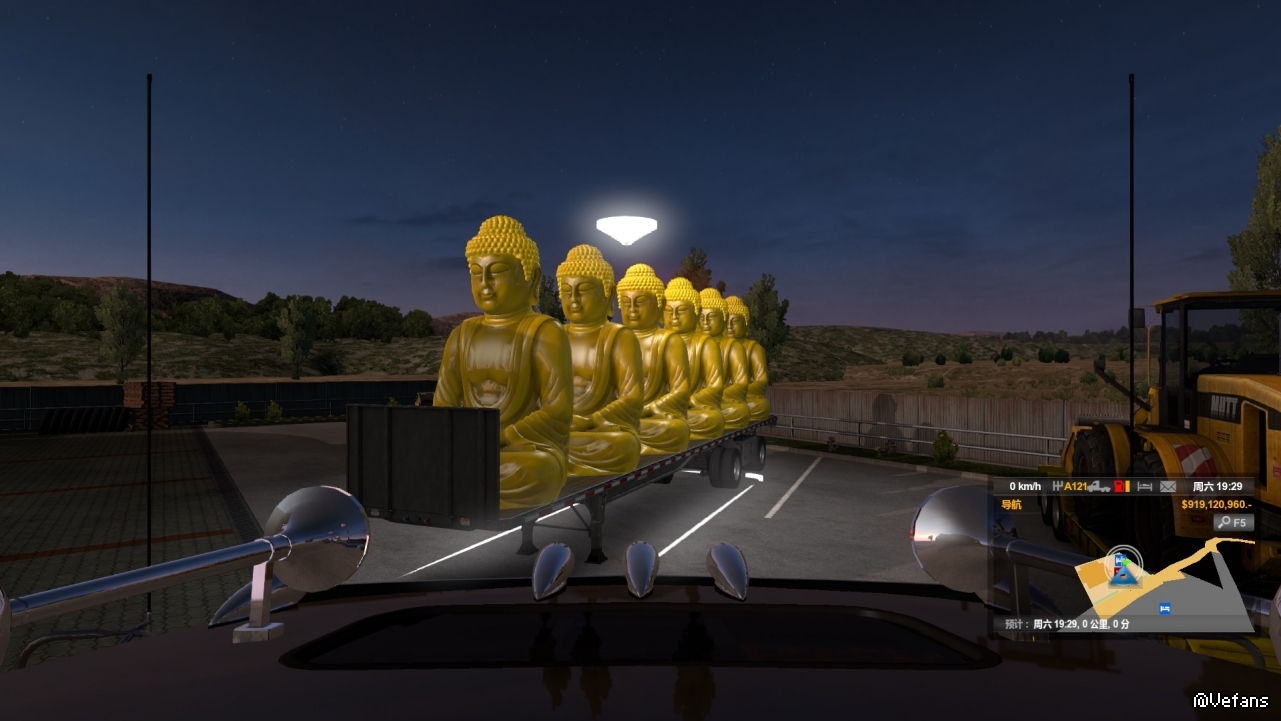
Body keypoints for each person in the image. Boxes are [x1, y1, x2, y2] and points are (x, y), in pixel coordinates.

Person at [433, 216, 574, 508]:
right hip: (472, 447)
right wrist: (461, 441)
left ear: (531, 278)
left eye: (496, 271)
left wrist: (501, 438)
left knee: (538, 470)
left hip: (520, 449)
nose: (484, 284)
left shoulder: (545, 331)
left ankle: (459, 483)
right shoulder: (462, 334)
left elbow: (558, 408)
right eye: (476, 273)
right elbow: (444, 404)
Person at [556, 245, 644, 476]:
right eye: (566, 291)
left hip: (599, 431)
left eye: (583, 290)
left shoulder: (619, 336)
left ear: (608, 294)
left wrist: (591, 421)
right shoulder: (555, 336)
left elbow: (632, 397)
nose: (573, 300)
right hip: (559, 429)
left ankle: (555, 464)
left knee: (623, 445)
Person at [616, 264, 691, 455]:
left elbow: (681, 391)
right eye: (626, 302)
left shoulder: (669, 340)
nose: (632, 309)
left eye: (640, 302)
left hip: (654, 418)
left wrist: (648, 409)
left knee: (675, 429)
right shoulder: (615, 340)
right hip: (620, 418)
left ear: (659, 304)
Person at [663, 277, 724, 441]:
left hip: (692, 408)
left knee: (712, 418)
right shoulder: (659, 343)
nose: (674, 316)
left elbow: (715, 386)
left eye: (681, 310)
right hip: (662, 411)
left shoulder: (705, 343)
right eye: (668, 310)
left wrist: (687, 401)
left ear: (696, 312)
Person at [699, 288, 750, 431]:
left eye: (711, 317)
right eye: (701, 317)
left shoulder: (732, 346)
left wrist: (715, 395)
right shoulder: (693, 346)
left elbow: (741, 383)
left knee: (738, 411)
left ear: (723, 317)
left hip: (723, 401)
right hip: (697, 404)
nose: (705, 322)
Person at [725, 295, 771, 421]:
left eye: (734, 321)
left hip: (744, 398)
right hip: (721, 399)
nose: (729, 326)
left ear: (745, 323)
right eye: (726, 321)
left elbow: (761, 381)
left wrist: (736, 391)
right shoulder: (717, 348)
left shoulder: (753, 348)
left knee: (760, 405)